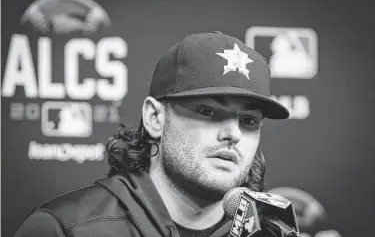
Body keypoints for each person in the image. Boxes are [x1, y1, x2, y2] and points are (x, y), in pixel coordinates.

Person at [14, 31, 290, 237]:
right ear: (155, 118)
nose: (233, 133)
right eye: (208, 112)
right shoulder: (66, 228)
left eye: (249, 121)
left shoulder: (269, 230)